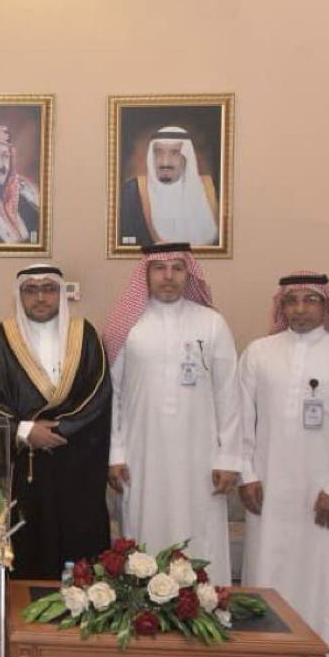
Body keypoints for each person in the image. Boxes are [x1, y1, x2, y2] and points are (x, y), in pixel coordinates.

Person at [237, 272, 329, 657]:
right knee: (269, 571)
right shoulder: (258, 354)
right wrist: (247, 474)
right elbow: (240, 418)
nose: (300, 308)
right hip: (269, 488)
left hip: (326, 491)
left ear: (326, 306)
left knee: (327, 576)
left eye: (310, 300)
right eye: (292, 300)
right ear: (281, 306)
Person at [104, 242, 240, 581]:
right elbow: (114, 394)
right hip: (141, 456)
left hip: (200, 458)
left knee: (200, 533)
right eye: (159, 269)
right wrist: (116, 453)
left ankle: (205, 603)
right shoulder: (126, 326)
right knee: (143, 530)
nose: (168, 276)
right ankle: (143, 604)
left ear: (188, 274)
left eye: (177, 269)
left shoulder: (212, 323)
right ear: (146, 274)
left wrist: (229, 458)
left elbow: (228, 394)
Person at [0, 264, 112, 579]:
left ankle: (79, 609)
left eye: (49, 289)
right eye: (31, 290)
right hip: (24, 467)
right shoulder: (3, 339)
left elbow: (99, 392)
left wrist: (61, 429)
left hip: (75, 462)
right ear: (19, 295)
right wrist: (25, 431)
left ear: (60, 294)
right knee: (27, 542)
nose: (40, 298)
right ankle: (19, 611)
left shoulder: (85, 334)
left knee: (78, 545)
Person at [119, 126, 219, 247]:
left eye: (174, 153)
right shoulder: (132, 192)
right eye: (158, 153)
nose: (165, 162)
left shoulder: (211, 190)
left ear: (186, 157)